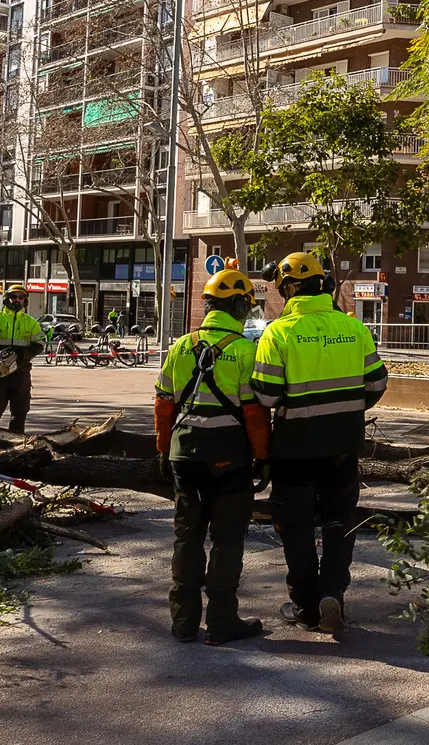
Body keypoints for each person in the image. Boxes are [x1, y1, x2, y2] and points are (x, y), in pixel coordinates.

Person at [251, 252, 386, 636]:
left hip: (294, 450)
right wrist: (345, 412)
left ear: (290, 288)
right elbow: (376, 385)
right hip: (342, 447)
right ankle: (333, 594)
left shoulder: (277, 332)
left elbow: (265, 395)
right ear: (322, 284)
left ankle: (306, 607)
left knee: (295, 527)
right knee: (339, 522)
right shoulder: (353, 328)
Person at [154, 268, 271, 645]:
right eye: (246, 306)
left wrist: (162, 449)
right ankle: (222, 622)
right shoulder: (244, 350)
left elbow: (163, 403)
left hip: (184, 453)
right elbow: (253, 413)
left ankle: (183, 623)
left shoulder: (181, 346)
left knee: (187, 536)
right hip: (229, 457)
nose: (246, 314)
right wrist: (262, 457)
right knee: (227, 538)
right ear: (238, 304)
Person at [0, 285, 45, 436]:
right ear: (7, 299)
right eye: (14, 297)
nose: (17, 300)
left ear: (25, 301)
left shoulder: (31, 322)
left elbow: (40, 343)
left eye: (21, 298)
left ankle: (16, 447)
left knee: (20, 414)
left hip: (21, 373)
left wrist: (23, 354)